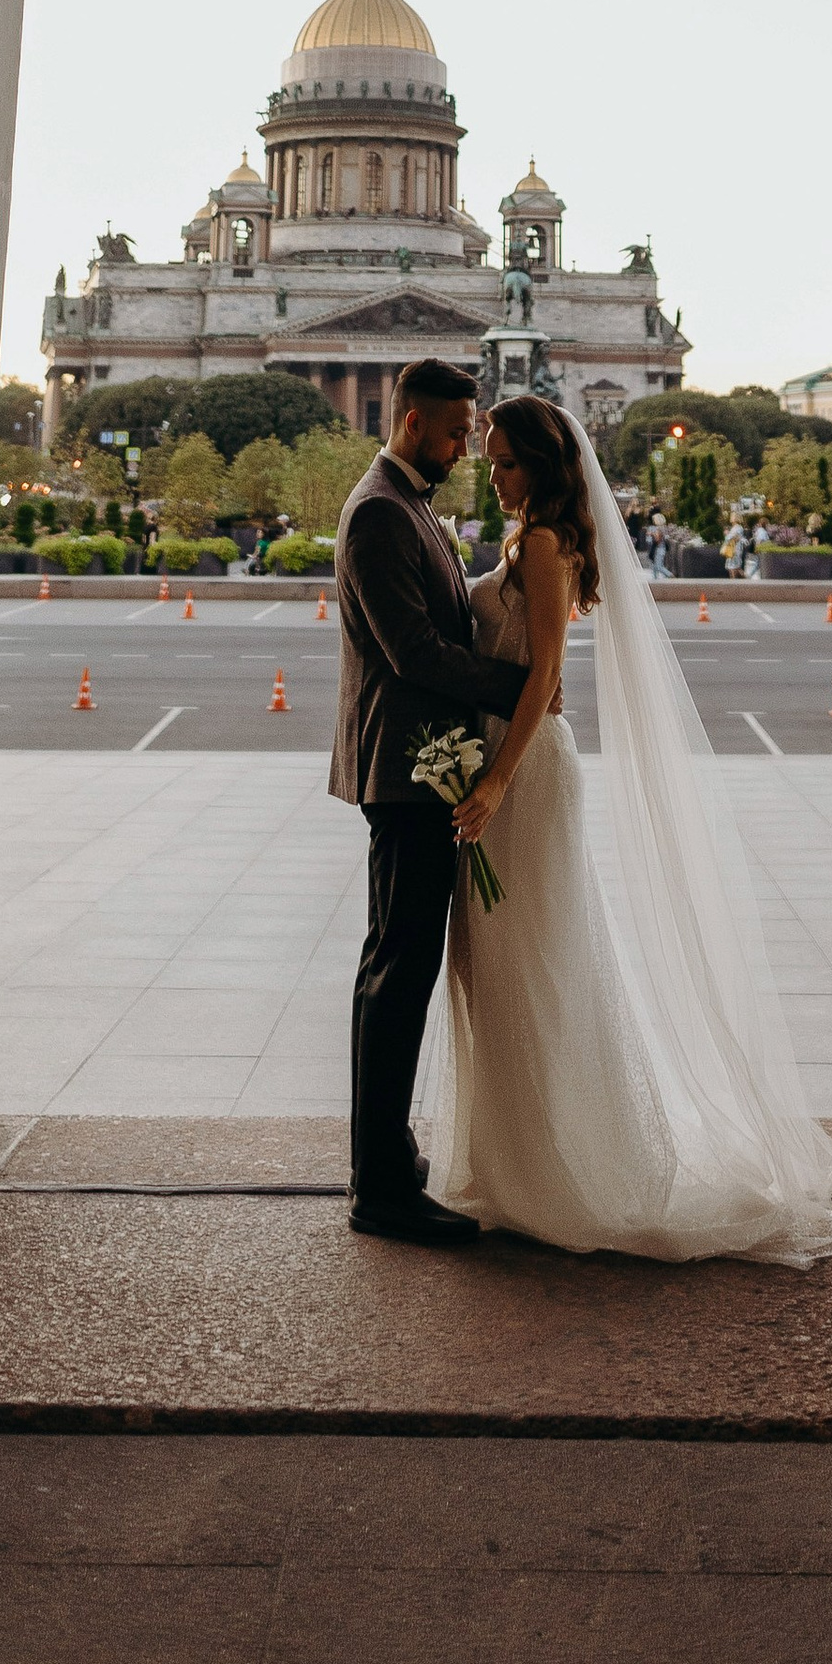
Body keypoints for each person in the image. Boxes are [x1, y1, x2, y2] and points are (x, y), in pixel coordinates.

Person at [437, 395, 832, 1268]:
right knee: (499, 959)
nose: (494, 474)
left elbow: (546, 671)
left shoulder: (544, 545)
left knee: (530, 961)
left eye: (506, 462)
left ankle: (551, 1168)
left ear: (543, 467)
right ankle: (517, 1157)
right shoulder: (529, 538)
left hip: (524, 772)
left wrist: (496, 783)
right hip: (510, 760)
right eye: (492, 459)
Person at [329, 358, 530, 1246]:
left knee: (401, 968)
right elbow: (410, 650)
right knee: (396, 974)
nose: (466, 448)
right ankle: (379, 1187)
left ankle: (390, 1152)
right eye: (456, 433)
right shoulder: (381, 509)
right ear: (413, 423)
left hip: (425, 766)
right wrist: (518, 681)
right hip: (406, 768)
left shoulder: (407, 504)